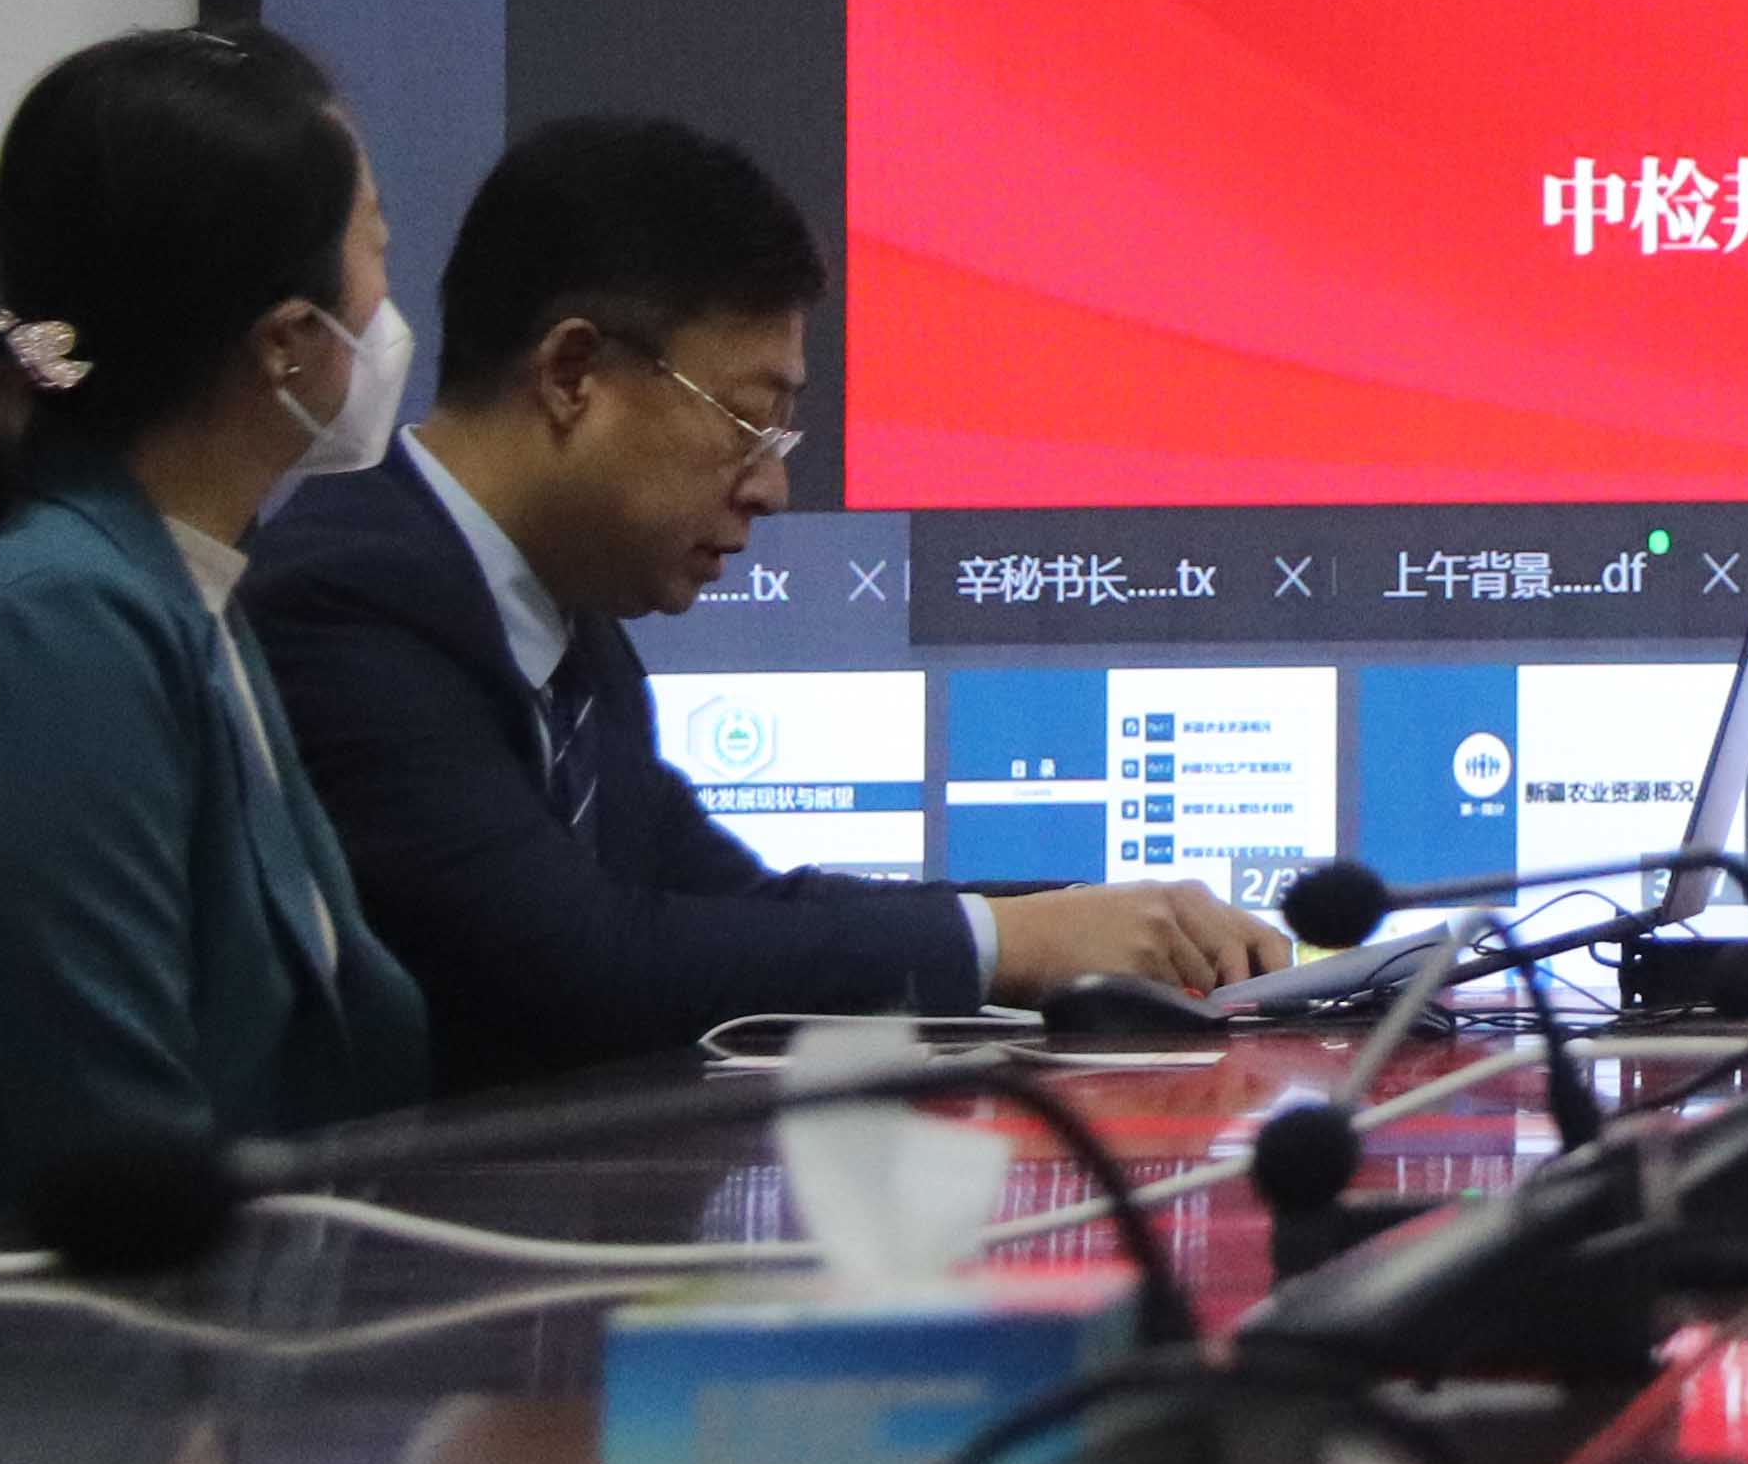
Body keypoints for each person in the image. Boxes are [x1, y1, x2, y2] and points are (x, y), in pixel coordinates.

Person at [247, 114, 1283, 1092]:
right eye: (748, 424)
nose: (771, 489)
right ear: (572, 373)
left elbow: (722, 908)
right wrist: (1010, 942)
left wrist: (1075, 921)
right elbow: (579, 967)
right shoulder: (349, 601)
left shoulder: (570, 629)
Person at [0, 25, 433, 1241]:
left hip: (178, 1328)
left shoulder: (174, 583)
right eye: (376, 243)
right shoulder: (45, 631)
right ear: (286, 342)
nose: (388, 297)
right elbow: (123, 1166)